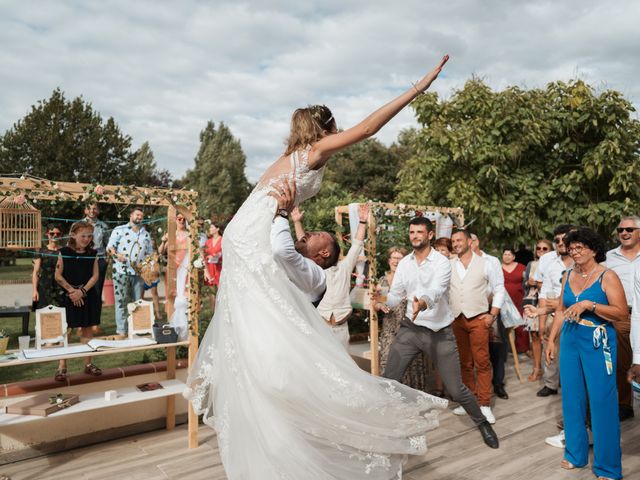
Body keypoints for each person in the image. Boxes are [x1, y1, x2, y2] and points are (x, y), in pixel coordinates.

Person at [186, 56, 450, 479]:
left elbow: (272, 199)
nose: (338, 136)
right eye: (334, 129)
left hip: (243, 231)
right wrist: (418, 88)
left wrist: (284, 213)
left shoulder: (288, 155)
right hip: (252, 235)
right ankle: (293, 396)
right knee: (276, 319)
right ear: (325, 129)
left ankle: (274, 410)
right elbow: (367, 129)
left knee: (260, 328)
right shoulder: (313, 150)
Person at [379, 218, 499, 449]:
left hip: (439, 332)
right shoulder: (404, 263)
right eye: (412, 232)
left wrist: (422, 303)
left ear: (430, 234)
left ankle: (483, 423)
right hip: (410, 330)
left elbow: (436, 290)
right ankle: (384, 426)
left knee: (456, 389)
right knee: (389, 379)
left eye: (419, 232)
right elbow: (396, 294)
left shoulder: (442, 262)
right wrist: (385, 301)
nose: (414, 236)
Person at [545, 227, 625, 480]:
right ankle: (575, 454)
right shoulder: (567, 275)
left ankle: (608, 467)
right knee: (571, 397)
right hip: (569, 339)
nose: (575, 251)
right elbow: (560, 309)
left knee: (602, 400)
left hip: (597, 340)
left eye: (580, 247)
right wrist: (551, 340)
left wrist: (589, 304)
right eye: (572, 247)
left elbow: (621, 312)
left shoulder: (607, 276)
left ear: (593, 250)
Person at [293, 204, 369, 348]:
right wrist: (297, 222)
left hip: (341, 328)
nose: (315, 235)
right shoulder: (317, 271)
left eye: (321, 236)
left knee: (343, 364)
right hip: (321, 326)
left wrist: (363, 222)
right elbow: (306, 247)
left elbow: (357, 245)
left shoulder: (345, 267)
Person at [449, 229, 504, 422]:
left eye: (459, 240)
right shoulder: (449, 264)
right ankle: (469, 402)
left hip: (479, 318)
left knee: (482, 362)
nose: (456, 243)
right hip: (457, 319)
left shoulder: (487, 263)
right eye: (453, 241)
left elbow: (498, 288)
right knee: (464, 363)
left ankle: (484, 404)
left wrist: (493, 314)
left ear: (470, 242)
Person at [526, 224, 575, 399]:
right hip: (553, 312)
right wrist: (541, 322)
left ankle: (569, 386)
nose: (561, 243)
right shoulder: (548, 260)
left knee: (571, 355)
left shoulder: (581, 258)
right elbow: (544, 291)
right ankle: (550, 384)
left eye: (565, 239)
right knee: (550, 347)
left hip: (577, 316)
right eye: (557, 240)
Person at [376, 246, 431, 391]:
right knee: (388, 361)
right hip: (390, 328)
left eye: (399, 258)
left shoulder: (412, 279)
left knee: (411, 364)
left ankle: (412, 394)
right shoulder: (383, 281)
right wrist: (380, 305)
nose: (395, 261)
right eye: (393, 258)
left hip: (410, 327)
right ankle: (390, 395)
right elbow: (377, 302)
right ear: (389, 261)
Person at [53, 221, 101, 381]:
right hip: (68, 296)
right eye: (83, 235)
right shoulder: (64, 252)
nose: (86, 239)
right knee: (65, 331)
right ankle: (62, 366)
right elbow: (58, 276)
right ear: (73, 235)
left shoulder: (93, 253)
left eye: (89, 236)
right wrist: (72, 291)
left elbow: (95, 276)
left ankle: (88, 364)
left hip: (87, 295)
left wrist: (82, 291)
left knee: (87, 329)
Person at [604, 216, 638, 422]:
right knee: (623, 361)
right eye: (620, 229)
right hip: (623, 316)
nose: (624, 233)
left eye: (629, 229)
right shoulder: (609, 257)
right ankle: (625, 404)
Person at [469, 233, 508, 400]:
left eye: (472, 240)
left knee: (496, 347)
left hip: (490, 309)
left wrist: (491, 308)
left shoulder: (491, 260)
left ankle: (498, 383)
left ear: (477, 242)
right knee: (475, 350)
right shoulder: (462, 261)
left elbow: (499, 286)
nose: (469, 243)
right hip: (470, 311)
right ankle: (476, 388)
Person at [107, 208, 154, 336]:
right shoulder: (119, 230)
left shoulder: (145, 234)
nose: (139, 217)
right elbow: (109, 248)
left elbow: (150, 254)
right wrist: (117, 255)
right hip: (121, 271)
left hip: (138, 274)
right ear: (131, 215)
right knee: (121, 301)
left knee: (138, 301)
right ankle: (122, 331)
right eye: (137, 214)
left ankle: (137, 329)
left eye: (141, 215)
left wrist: (147, 266)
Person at [522, 239, 553, 381]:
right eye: (538, 248)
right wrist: (529, 282)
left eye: (544, 248)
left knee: (548, 335)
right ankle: (537, 368)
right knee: (534, 337)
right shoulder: (531, 264)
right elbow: (525, 284)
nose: (540, 250)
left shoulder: (554, 264)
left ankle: (552, 371)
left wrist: (540, 284)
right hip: (532, 301)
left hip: (548, 303)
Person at [83, 203, 109, 315]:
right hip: (82, 261)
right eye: (89, 208)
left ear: (98, 211)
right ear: (85, 210)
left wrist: (106, 259)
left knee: (97, 291)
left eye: (95, 208)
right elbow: (72, 244)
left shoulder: (104, 226)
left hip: (99, 261)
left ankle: (95, 322)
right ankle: (82, 322)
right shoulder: (78, 225)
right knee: (82, 290)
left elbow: (109, 245)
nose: (92, 210)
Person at [501, 247, 528, 353]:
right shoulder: (498, 267)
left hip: (519, 298)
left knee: (521, 321)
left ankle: (523, 348)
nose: (507, 257)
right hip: (504, 299)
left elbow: (527, 281)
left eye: (509, 255)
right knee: (505, 323)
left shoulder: (521, 267)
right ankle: (507, 348)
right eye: (505, 254)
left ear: (513, 257)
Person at [32, 224, 65, 309]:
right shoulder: (41, 251)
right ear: (47, 234)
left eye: (58, 234)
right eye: (52, 233)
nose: (55, 235)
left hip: (61, 288)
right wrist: (35, 290)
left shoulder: (65, 251)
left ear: (61, 235)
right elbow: (35, 272)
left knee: (62, 317)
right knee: (43, 317)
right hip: (44, 287)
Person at [203, 221, 223, 309]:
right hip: (210, 268)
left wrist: (217, 256)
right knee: (211, 292)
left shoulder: (222, 240)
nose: (210, 229)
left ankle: (221, 309)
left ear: (217, 229)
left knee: (220, 290)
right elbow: (203, 254)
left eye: (212, 227)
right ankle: (213, 311)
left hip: (219, 267)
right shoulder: (208, 242)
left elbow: (224, 252)